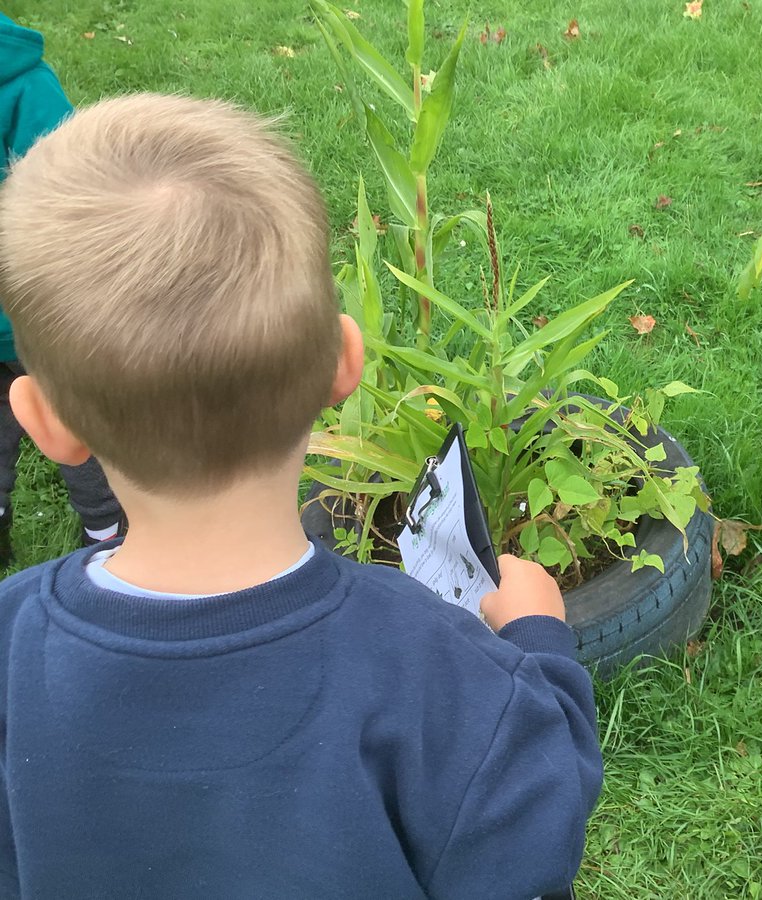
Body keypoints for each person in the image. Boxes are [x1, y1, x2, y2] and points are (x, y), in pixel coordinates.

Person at [0, 93, 602, 899]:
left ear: (45, 423)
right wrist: (541, 645)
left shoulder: (10, 642)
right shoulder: (435, 666)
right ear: (343, 366)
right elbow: (535, 833)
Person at [0, 12, 123, 565]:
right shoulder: (27, 81)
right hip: (36, 301)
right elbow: (70, 182)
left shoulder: (23, 84)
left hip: (30, 303)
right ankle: (106, 533)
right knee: (74, 417)